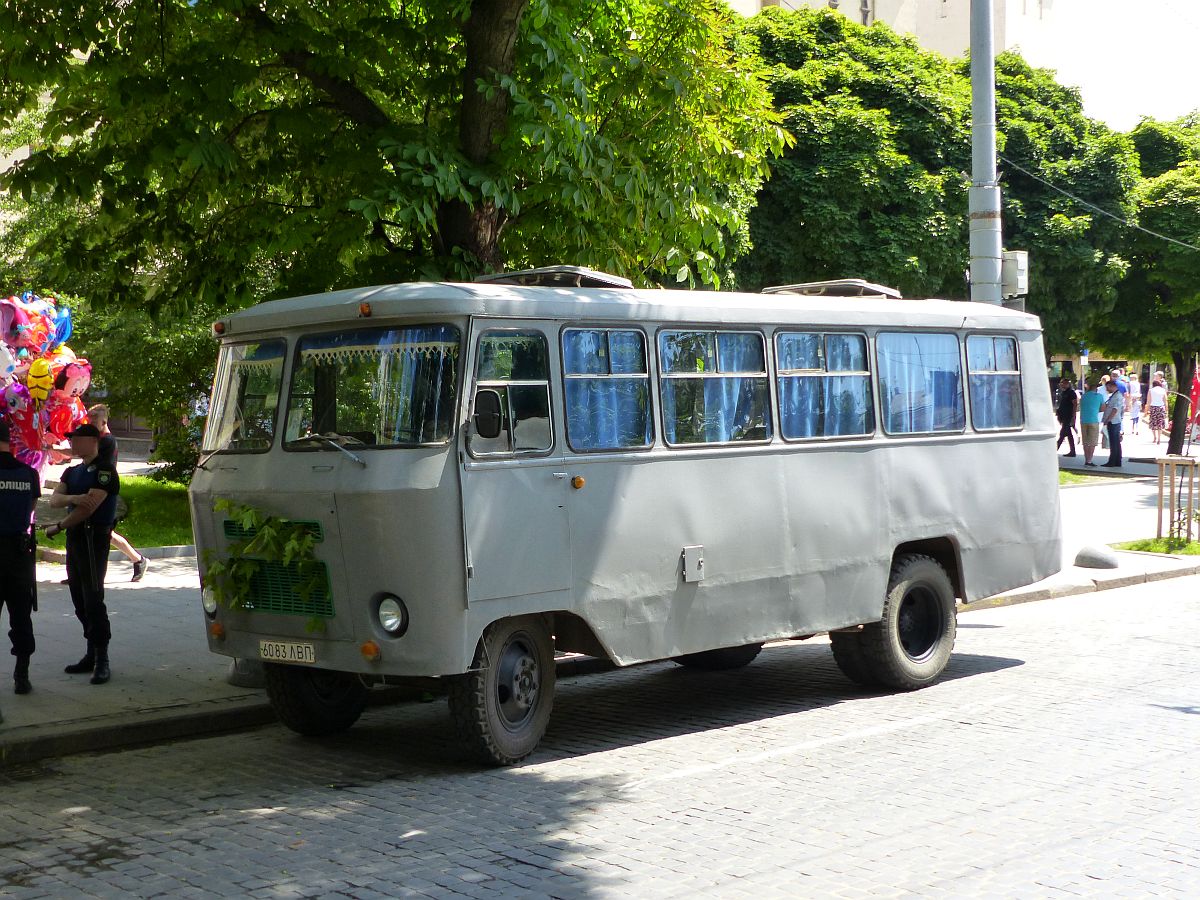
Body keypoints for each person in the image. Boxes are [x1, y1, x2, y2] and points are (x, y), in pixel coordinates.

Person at [45, 423, 120, 685]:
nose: (73, 444)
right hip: (76, 539)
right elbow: (54, 500)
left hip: (93, 538)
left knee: (93, 597)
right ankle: (90, 653)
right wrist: (74, 498)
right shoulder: (71, 471)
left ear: (92, 441)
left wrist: (59, 525)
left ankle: (102, 659)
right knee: (78, 596)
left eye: (77, 439)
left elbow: (90, 507)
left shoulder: (105, 470)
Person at [0, 422, 40, 695]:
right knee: (21, 616)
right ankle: (21, 674)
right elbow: (31, 509)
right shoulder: (29, 474)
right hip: (18, 554)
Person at [86, 404, 148, 581]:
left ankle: (138, 559)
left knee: (106, 533)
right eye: (88, 419)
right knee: (95, 531)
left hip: (105, 492)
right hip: (95, 488)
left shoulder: (106, 441)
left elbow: (87, 456)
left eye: (93, 420)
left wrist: (54, 451)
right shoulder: (98, 438)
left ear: (104, 421)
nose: (90, 423)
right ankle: (81, 571)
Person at [1079, 377, 1104, 467]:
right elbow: (1103, 408)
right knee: (1092, 442)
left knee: (1085, 441)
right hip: (1093, 420)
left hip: (1083, 420)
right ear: (1096, 389)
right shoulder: (1099, 396)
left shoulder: (1083, 396)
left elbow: (1080, 407)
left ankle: (1086, 459)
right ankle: (1090, 459)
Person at [1101, 379, 1124, 467]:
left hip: (1113, 422)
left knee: (1114, 442)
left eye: (1108, 387)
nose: (1107, 389)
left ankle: (1113, 461)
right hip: (1114, 421)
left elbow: (1115, 409)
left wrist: (1108, 420)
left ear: (1112, 386)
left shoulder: (1117, 396)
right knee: (1116, 442)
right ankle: (1117, 461)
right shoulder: (1114, 395)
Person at [1054, 377, 1078, 456]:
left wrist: (1073, 416)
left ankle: (1054, 450)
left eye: (1063, 383)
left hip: (1068, 416)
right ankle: (1072, 451)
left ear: (1068, 384)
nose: (1062, 384)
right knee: (1068, 434)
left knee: (1062, 434)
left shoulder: (1071, 393)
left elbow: (1075, 404)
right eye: (1061, 383)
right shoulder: (1063, 393)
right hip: (1063, 416)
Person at [1147, 375, 1169, 445]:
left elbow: (1148, 401)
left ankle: (1154, 437)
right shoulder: (1163, 390)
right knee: (1160, 423)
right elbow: (1165, 401)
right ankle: (1159, 438)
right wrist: (1166, 410)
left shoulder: (1151, 390)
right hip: (1161, 407)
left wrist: (1147, 410)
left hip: (1153, 407)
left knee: (1153, 423)